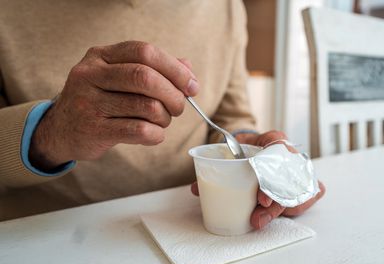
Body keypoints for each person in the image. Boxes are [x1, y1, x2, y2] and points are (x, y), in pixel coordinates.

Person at [0, 0, 325, 225]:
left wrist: (251, 151)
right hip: (43, 235)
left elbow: (231, 117)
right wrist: (52, 132)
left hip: (187, 221)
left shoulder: (226, 7)